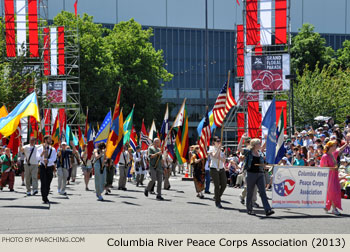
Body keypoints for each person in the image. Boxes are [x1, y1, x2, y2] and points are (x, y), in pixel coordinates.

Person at [238, 136, 274, 216]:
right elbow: (239, 148)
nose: (260, 144)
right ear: (254, 145)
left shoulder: (260, 153)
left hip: (260, 174)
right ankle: (249, 209)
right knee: (250, 192)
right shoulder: (248, 152)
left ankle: (268, 209)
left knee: (263, 192)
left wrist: (272, 167)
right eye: (259, 143)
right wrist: (242, 138)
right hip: (250, 174)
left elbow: (263, 165)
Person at [320, 140, 348, 215]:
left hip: (335, 176)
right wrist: (333, 168)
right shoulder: (325, 156)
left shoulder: (333, 154)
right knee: (333, 192)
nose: (336, 147)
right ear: (331, 147)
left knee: (336, 192)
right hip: (329, 177)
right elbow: (324, 168)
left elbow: (340, 150)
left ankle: (327, 206)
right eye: (334, 146)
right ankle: (334, 209)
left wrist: (346, 144)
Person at [36, 135, 57, 204]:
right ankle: (44, 197)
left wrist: (48, 161)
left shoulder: (52, 149)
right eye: (49, 139)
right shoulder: (39, 148)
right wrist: (42, 154)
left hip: (49, 167)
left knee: (48, 181)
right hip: (42, 167)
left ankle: (46, 192)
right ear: (45, 140)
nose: (51, 140)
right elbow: (37, 158)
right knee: (43, 182)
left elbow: (54, 158)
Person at [208, 136, 226, 208]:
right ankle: (218, 202)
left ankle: (217, 196)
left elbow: (224, 160)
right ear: (214, 142)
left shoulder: (222, 150)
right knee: (217, 185)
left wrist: (220, 157)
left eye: (219, 141)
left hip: (221, 168)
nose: (219, 142)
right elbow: (214, 156)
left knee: (224, 184)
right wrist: (218, 149)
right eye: (217, 141)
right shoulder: (211, 148)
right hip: (214, 168)